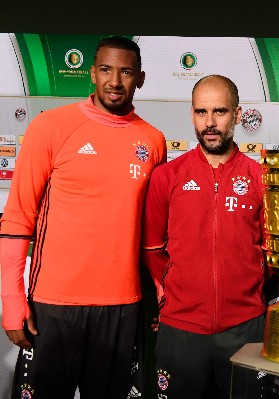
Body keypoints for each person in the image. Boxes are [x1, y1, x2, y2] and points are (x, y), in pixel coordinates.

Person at [0, 36, 166, 398]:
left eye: (126, 72)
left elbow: (151, 230)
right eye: (106, 70)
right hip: (56, 303)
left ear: (140, 78)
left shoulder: (153, 140)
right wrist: (12, 302)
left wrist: (162, 287)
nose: (115, 81)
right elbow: (16, 220)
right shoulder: (51, 127)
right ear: (92, 73)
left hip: (123, 305)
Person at [141, 74, 269, 399]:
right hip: (180, 329)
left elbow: (270, 254)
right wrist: (170, 293)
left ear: (238, 115)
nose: (209, 123)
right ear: (192, 114)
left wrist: (248, 294)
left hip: (246, 328)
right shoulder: (166, 176)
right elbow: (153, 247)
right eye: (201, 112)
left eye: (220, 112)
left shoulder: (261, 179)